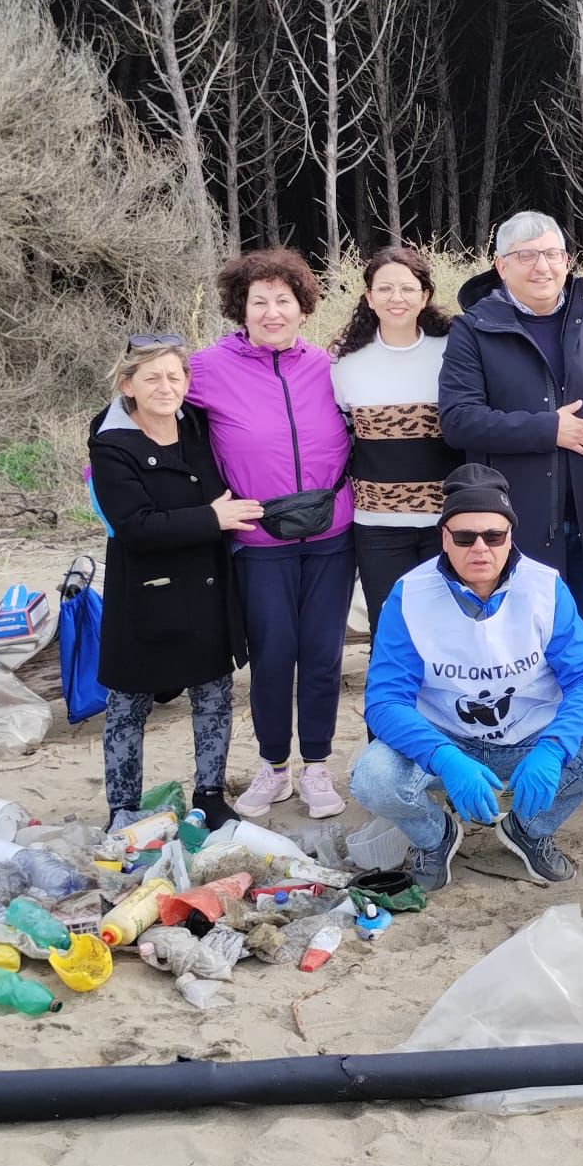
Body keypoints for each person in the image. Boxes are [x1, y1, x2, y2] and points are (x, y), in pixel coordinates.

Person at [439, 210, 583, 814]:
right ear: (500, 265)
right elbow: (456, 419)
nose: (542, 266)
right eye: (526, 256)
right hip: (517, 523)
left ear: (568, 259)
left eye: (552, 253)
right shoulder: (475, 329)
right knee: (520, 647)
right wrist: (544, 429)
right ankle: (517, 751)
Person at [350, 465, 583, 890]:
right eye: (464, 537)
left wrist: (554, 749)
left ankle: (529, 829)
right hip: (446, 742)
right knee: (372, 779)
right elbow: (385, 700)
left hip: (530, 738)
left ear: (509, 538)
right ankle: (436, 837)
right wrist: (443, 758)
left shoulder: (544, 588)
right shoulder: (409, 595)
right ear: (444, 538)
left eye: (494, 536)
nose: (479, 548)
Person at [187, 248, 355, 821]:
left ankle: (316, 766)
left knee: (323, 654)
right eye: (259, 301)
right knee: (273, 653)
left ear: (302, 306)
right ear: (242, 307)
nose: (272, 311)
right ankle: (273, 767)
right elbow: (146, 408)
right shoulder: (208, 367)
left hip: (333, 532)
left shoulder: (330, 364)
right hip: (259, 539)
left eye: (283, 300)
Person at [87, 335, 258, 830]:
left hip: (206, 586)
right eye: (152, 378)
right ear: (128, 386)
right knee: (127, 704)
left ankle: (211, 794)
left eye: (174, 376)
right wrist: (212, 517)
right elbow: (135, 526)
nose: (166, 387)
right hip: (144, 593)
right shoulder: (110, 446)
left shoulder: (196, 425)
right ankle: (122, 808)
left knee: (213, 697)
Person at [332, 245, 457, 634]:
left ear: (425, 295)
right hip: (377, 525)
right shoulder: (344, 361)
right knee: (389, 630)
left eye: (407, 288)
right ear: (369, 297)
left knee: (449, 630)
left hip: (449, 521)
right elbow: (344, 434)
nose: (396, 298)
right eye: (384, 289)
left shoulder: (453, 350)